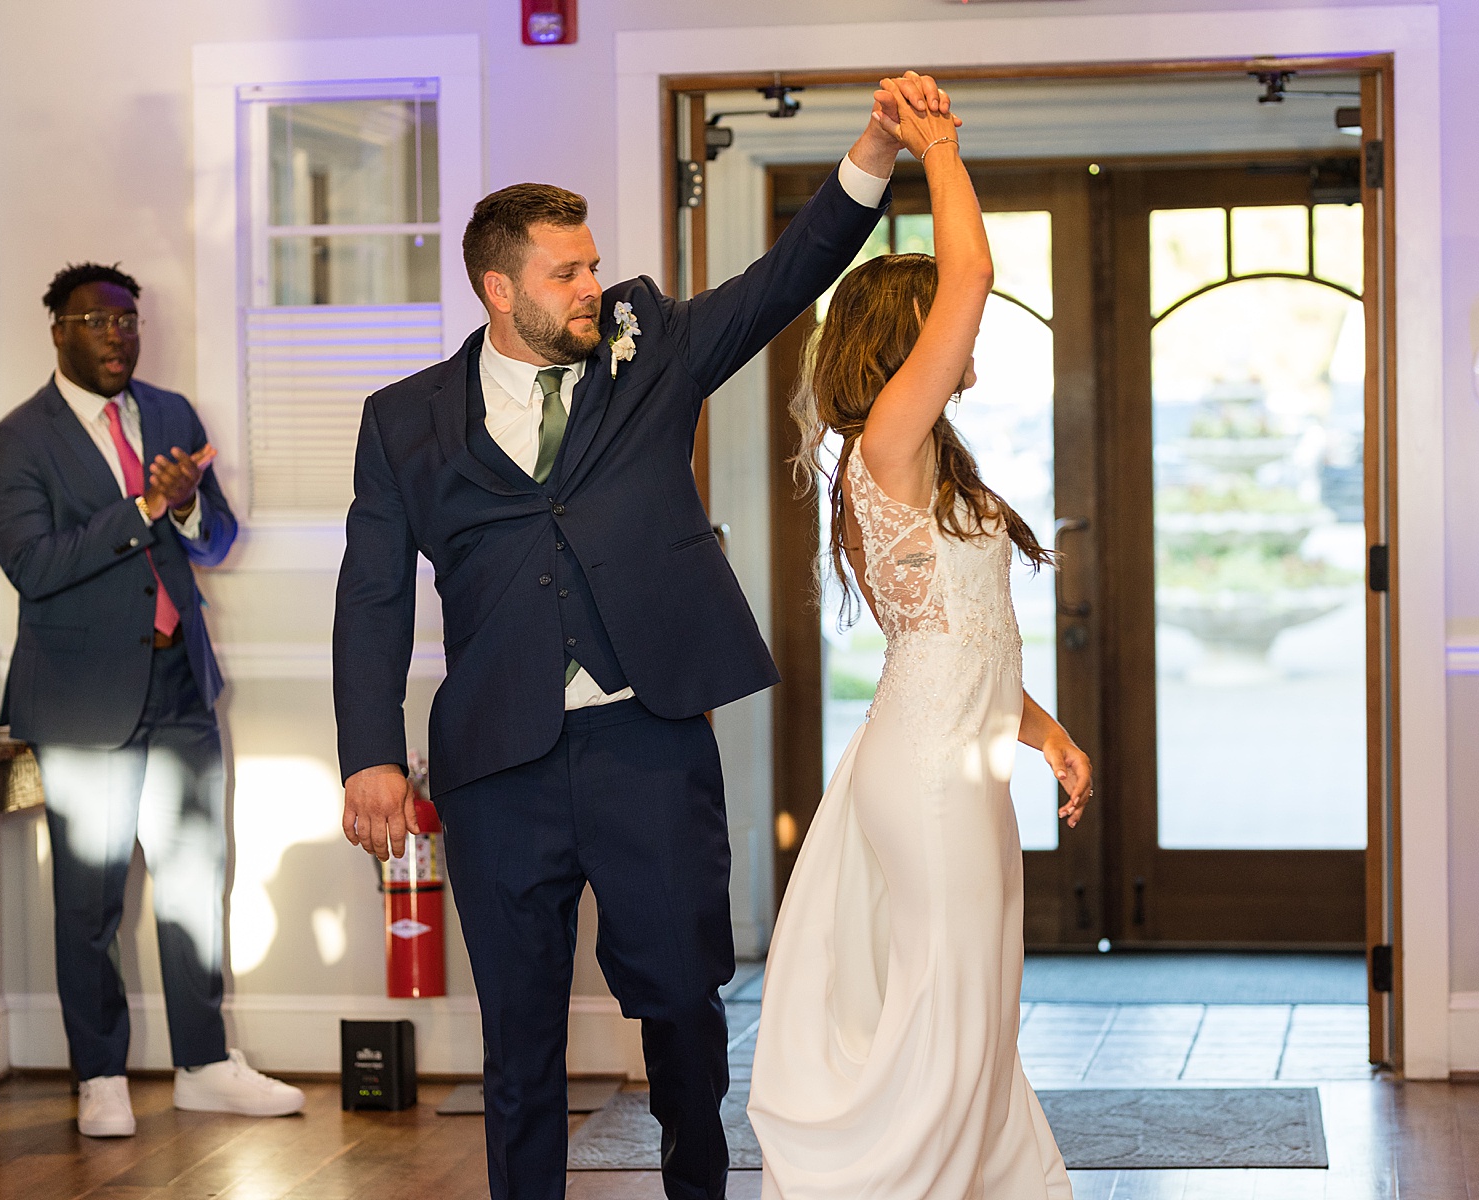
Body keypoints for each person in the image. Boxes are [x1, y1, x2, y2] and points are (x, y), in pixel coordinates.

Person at [334, 71, 959, 1200]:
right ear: (497, 286)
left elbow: (790, 275)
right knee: (517, 1036)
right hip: (495, 767)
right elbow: (372, 592)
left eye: (590, 263)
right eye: (564, 271)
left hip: (647, 741)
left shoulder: (652, 344)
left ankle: (698, 1182)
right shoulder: (403, 420)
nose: (590, 285)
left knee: (679, 999)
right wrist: (371, 756)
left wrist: (876, 149)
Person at [744, 78, 1093, 1199]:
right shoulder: (886, 440)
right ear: (909, 344)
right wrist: (936, 149)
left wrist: (1044, 733)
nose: (966, 326)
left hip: (966, 756)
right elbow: (975, 274)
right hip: (930, 773)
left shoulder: (934, 462)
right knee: (947, 995)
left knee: (981, 998)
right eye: (940, 321)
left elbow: (962, 631)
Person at [0, 263, 303, 1138]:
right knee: (89, 902)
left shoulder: (170, 415)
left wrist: (190, 507)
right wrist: (145, 504)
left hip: (179, 683)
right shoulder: (16, 442)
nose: (119, 336)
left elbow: (218, 535)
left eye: (129, 322)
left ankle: (203, 1064)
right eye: (98, 322)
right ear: (58, 331)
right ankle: (100, 1077)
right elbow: (34, 567)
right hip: (83, 701)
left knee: (197, 886)